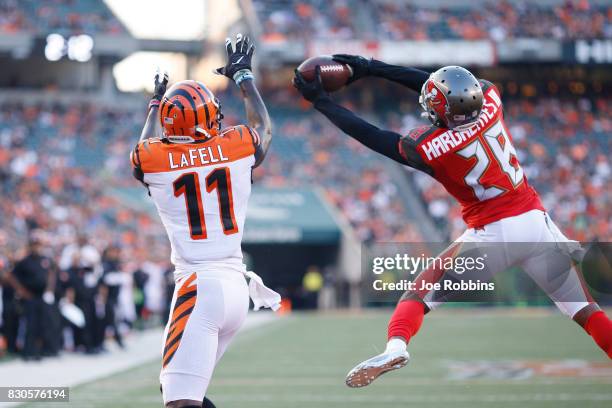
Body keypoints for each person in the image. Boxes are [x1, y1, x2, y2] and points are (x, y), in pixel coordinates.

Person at [293, 55, 612, 387]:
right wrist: (372, 67)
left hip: (493, 234)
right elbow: (441, 88)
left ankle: (396, 345)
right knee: (588, 313)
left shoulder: (431, 147)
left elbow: (371, 135)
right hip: (535, 223)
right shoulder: (490, 100)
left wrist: (322, 101)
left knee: (417, 296)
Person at [132, 34, 279, 408]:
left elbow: (143, 149)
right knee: (180, 394)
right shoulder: (237, 145)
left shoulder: (153, 159)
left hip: (199, 287)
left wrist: (154, 104)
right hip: (234, 286)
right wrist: (243, 76)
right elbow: (263, 128)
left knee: (180, 401)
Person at [7, 235, 57, 360]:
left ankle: (38, 351)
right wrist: (21, 290)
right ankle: (28, 351)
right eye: (34, 245)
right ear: (30, 246)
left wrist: (49, 288)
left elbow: (51, 272)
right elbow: (12, 276)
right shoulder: (25, 261)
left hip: (42, 296)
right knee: (30, 324)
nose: (36, 247)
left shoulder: (45, 260)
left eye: (38, 245)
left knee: (42, 324)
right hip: (30, 297)